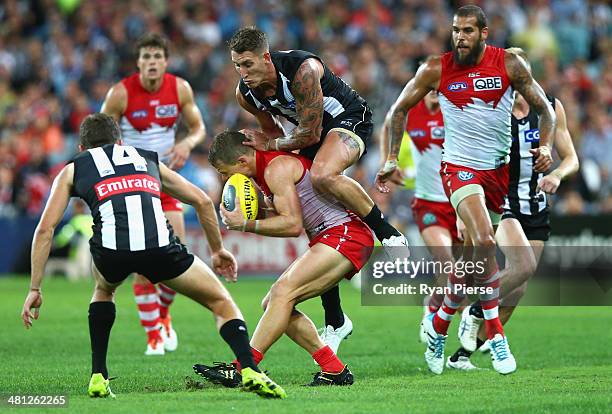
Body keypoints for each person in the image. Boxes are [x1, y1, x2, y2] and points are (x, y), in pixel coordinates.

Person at [20, 114, 285, 399]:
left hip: (111, 252)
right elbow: (202, 200)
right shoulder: (145, 157)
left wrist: (35, 288)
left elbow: (45, 229)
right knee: (221, 302)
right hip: (159, 247)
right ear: (120, 141)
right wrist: (217, 251)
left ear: (83, 148)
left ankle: (98, 375)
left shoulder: (72, 168)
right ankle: (248, 369)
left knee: (103, 289)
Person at [376, 5, 557, 375]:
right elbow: (397, 111)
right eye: (456, 30)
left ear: (484, 33)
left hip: (496, 174)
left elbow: (546, 111)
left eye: (468, 31)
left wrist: (548, 146)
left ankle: (440, 323)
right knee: (487, 242)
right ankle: (496, 336)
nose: (460, 37)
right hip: (458, 169)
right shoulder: (436, 68)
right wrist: (392, 157)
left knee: (476, 258)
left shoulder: (508, 64)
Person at [227, 26, 404, 350]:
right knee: (309, 209)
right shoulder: (246, 93)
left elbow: (306, 135)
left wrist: (275, 144)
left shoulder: (302, 71)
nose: (243, 73)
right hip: (310, 133)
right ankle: (335, 318)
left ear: (266, 57)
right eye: (238, 65)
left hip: (348, 120)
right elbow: (272, 133)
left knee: (322, 175)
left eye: (248, 64)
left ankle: (387, 232)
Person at [194, 130, 374, 386]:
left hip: (346, 233)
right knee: (274, 303)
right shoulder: (266, 172)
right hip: (332, 235)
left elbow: (292, 225)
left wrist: (245, 224)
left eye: (225, 172)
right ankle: (334, 369)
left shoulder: (274, 169)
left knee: (282, 293)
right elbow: (287, 216)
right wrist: (254, 216)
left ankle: (242, 367)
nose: (224, 179)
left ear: (242, 162)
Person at [449, 47, 579, 369]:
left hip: (534, 205)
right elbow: (465, 161)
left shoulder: (549, 108)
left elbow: (572, 158)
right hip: (500, 202)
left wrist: (557, 175)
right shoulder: (491, 110)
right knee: (522, 268)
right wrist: (460, 212)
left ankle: (461, 355)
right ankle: (466, 312)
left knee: (518, 290)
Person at [101, 33, 206, 355]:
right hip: (133, 185)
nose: (151, 63)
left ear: (165, 62)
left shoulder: (180, 89)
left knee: (177, 254)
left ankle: (163, 315)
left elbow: (198, 127)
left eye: (156, 57)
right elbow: (102, 136)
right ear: (138, 62)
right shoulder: (120, 94)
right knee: (144, 264)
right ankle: (153, 337)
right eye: (145, 57)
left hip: (165, 180)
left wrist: (187, 143)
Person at [379, 90, 463, 346]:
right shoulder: (411, 113)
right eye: (430, 87)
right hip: (424, 201)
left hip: (458, 201)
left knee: (460, 275)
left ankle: (433, 306)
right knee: (448, 265)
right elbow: (387, 125)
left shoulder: (456, 112)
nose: (436, 92)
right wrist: (388, 160)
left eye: (440, 87)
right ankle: (444, 327)